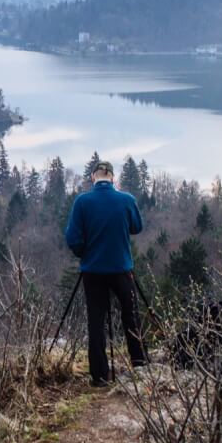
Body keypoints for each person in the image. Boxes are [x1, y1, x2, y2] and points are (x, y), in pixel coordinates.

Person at [65, 160, 147, 385]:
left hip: (93, 271)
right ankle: (140, 365)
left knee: (96, 321)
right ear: (112, 178)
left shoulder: (82, 202)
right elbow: (137, 227)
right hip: (121, 269)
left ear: (93, 178)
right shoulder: (126, 200)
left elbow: (72, 238)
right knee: (131, 316)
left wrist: (84, 253)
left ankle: (100, 376)